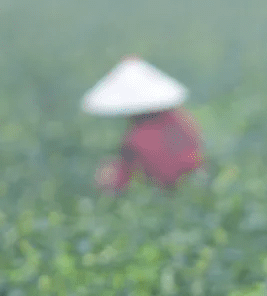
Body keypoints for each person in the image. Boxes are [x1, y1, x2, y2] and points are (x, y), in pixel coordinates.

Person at [81, 56, 204, 195]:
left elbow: (130, 176)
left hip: (166, 192)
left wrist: (110, 179)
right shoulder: (182, 119)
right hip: (193, 186)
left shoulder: (137, 138)